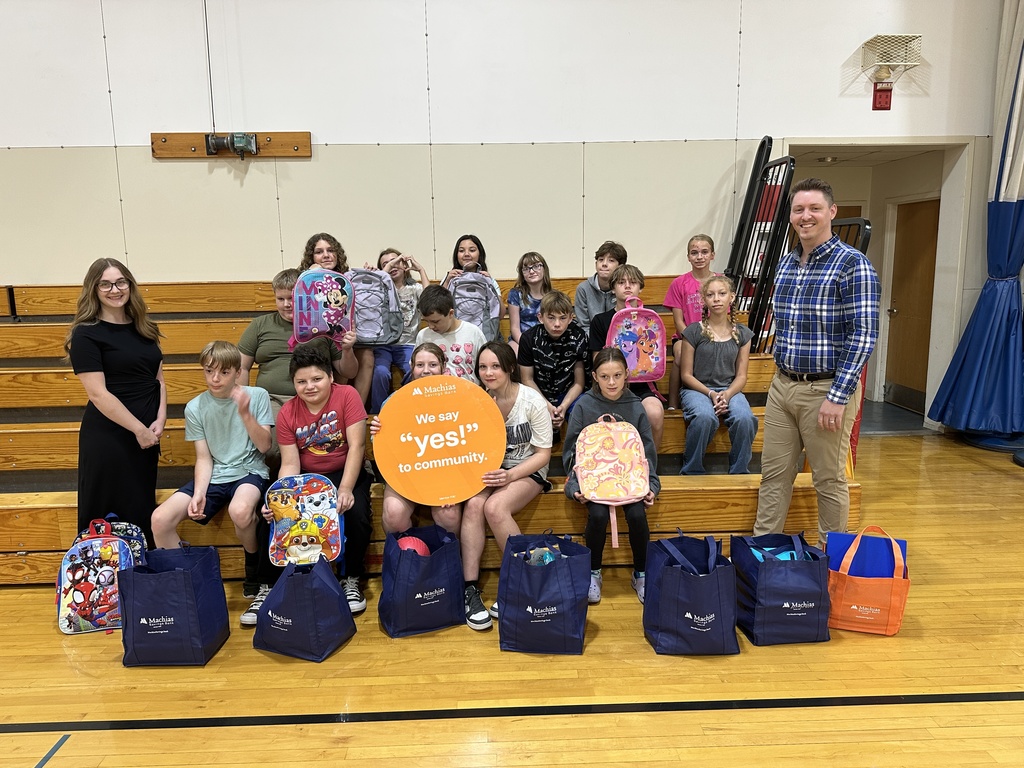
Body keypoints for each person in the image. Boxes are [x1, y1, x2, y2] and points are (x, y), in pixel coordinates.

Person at [754, 178, 880, 545]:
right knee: (773, 476)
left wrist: (838, 397)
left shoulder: (852, 265)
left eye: (814, 209)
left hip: (826, 390)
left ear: (832, 212)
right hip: (783, 386)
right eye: (798, 209)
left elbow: (863, 335)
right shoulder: (787, 264)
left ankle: (832, 561)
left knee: (829, 479)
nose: (805, 216)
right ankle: (762, 554)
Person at [150, 341, 274, 626]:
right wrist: (200, 493)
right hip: (215, 474)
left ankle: (253, 565)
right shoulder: (195, 407)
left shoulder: (256, 395)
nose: (215, 379)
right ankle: (186, 579)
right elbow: (204, 458)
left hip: (249, 470)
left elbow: (265, 446)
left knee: (241, 511)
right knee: (160, 519)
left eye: (223, 372)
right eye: (209, 372)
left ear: (236, 372)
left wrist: (244, 412)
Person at [65, 258, 166, 546]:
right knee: (105, 515)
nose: (115, 289)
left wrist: (159, 420)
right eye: (106, 284)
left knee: (140, 508)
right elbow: (98, 394)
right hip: (110, 438)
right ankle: (101, 586)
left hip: (146, 436)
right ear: (93, 289)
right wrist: (139, 429)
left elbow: (158, 379)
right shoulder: (86, 334)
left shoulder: (144, 327)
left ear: (130, 285)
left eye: (121, 282)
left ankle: (139, 579)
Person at [273, 342, 372, 613]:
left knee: (357, 515)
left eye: (317, 379)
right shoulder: (287, 413)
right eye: (301, 381)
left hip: (346, 471)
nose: (310, 386)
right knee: (280, 517)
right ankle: (309, 580)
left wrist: (347, 488)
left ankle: (351, 577)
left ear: (330, 376)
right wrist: (283, 497)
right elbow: (290, 463)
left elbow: (357, 447)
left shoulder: (347, 395)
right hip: (308, 477)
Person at [461, 342, 552, 630]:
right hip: (492, 470)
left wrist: (510, 477)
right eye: (483, 367)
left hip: (527, 469)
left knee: (495, 507)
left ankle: (522, 583)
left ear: (510, 368)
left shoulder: (532, 401)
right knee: (474, 504)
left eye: (495, 366)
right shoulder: (477, 401)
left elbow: (543, 455)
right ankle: (470, 589)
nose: (488, 372)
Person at [563, 348, 659, 604]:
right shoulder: (584, 405)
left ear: (627, 374)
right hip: (595, 480)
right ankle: (593, 572)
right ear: (594, 376)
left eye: (617, 375)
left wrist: (651, 485)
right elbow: (571, 450)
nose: (612, 382)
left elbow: (646, 450)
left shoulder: (635, 406)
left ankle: (641, 573)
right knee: (597, 514)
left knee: (637, 514)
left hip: (630, 479)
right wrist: (574, 485)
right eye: (605, 376)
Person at [238, 268, 357, 461]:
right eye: (280, 299)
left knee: (324, 449)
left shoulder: (324, 325)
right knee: (271, 449)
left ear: (305, 297)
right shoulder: (260, 325)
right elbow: (241, 367)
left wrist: (348, 349)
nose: (286, 305)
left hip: (316, 398)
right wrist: (245, 401)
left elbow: (348, 372)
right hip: (272, 399)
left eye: (292, 299)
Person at [370, 343, 461, 535]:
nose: (426, 371)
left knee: (449, 515)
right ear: (411, 367)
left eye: (433, 365)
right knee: (394, 513)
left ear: (443, 368)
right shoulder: (395, 401)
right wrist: (378, 433)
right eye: (420, 365)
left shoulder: (458, 398)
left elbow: (469, 440)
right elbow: (382, 448)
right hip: (407, 472)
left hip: (446, 472)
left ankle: (449, 561)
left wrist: (456, 482)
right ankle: (406, 560)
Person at [678, 275, 758, 475]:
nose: (716, 299)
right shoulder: (694, 331)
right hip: (697, 389)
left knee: (745, 418)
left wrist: (727, 394)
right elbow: (686, 375)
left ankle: (739, 471)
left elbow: (741, 376)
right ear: (703, 299)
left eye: (722, 294)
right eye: (710, 294)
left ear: (731, 297)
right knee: (705, 417)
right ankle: (692, 469)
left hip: (729, 389)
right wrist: (711, 394)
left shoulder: (742, 334)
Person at [588, 264, 665, 448]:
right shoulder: (600, 320)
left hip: (641, 385)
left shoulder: (649, 320)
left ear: (640, 287)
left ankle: (650, 466)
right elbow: (597, 361)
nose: (627, 286)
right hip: (610, 384)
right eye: (621, 282)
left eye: (633, 282)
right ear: (613, 288)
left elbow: (655, 357)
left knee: (655, 413)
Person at [517, 290, 589, 435]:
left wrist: (563, 406)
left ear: (570, 318)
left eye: (562, 318)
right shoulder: (529, 339)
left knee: (583, 410)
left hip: (569, 393)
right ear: (540, 317)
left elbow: (579, 383)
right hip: (538, 392)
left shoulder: (579, 337)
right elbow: (527, 379)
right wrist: (547, 406)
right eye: (551, 318)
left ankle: (577, 455)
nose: (557, 324)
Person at [370, 248, 431, 413]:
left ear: (405, 265)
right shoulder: (381, 289)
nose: (393, 266)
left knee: (415, 372)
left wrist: (421, 271)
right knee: (380, 373)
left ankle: (410, 409)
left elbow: (430, 301)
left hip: (408, 344)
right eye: (387, 264)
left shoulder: (414, 288)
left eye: (396, 261)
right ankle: (377, 413)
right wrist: (384, 272)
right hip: (384, 344)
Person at [665, 234, 718, 409]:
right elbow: (678, 321)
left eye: (704, 252)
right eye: (694, 253)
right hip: (685, 337)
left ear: (712, 255)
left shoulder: (721, 282)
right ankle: (673, 405)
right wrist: (692, 339)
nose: (699, 257)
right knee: (680, 355)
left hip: (716, 335)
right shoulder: (679, 283)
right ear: (688, 257)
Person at [414, 285, 488, 383]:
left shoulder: (473, 332)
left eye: (435, 322)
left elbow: (486, 366)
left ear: (451, 313)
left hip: (468, 393)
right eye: (427, 321)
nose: (431, 326)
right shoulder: (423, 335)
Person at [574, 240, 627, 334]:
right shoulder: (583, 289)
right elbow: (583, 325)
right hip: (591, 342)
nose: (604, 264)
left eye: (611, 260)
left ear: (620, 266)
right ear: (596, 264)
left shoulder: (625, 288)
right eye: (601, 259)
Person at [506, 251, 551, 353]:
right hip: (520, 339)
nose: (531, 271)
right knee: (515, 354)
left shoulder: (552, 295)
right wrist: (526, 345)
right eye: (526, 268)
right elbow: (515, 328)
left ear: (544, 269)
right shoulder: (515, 294)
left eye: (536, 266)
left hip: (547, 340)